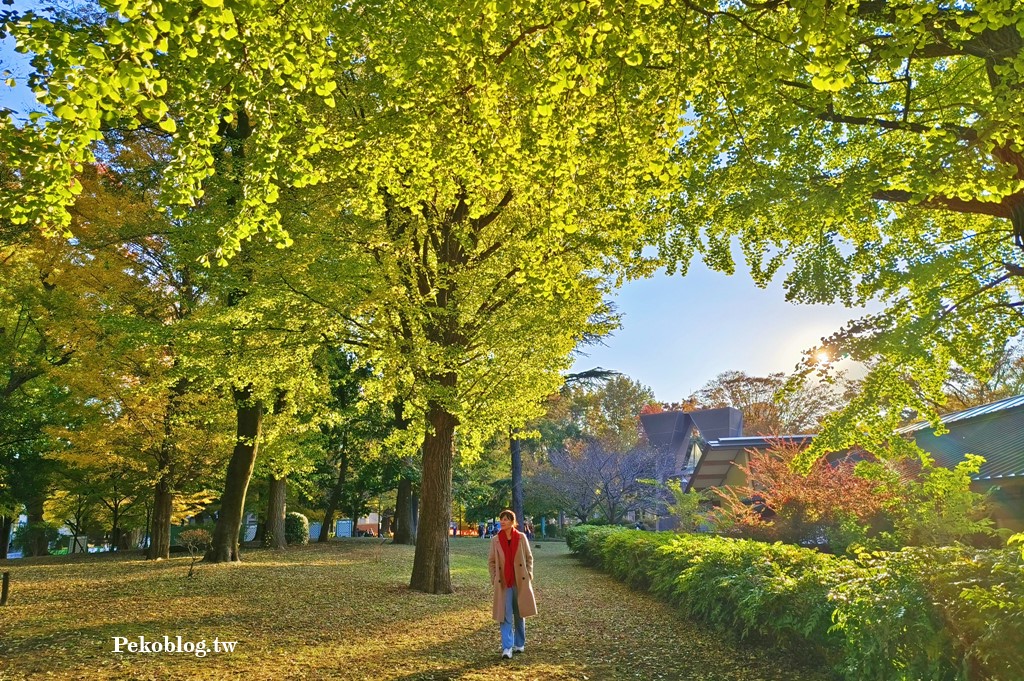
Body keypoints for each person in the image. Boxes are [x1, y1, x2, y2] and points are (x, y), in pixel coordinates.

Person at [487, 509, 537, 659]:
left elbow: (529, 558)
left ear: (513, 522)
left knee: (520, 613)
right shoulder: (495, 540)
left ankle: (519, 643)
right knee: (505, 614)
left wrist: (529, 574)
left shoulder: (521, 537)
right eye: (501, 519)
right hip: (504, 582)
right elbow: (491, 562)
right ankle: (507, 647)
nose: (502, 521)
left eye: (506, 519)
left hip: (520, 581)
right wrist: (494, 577)